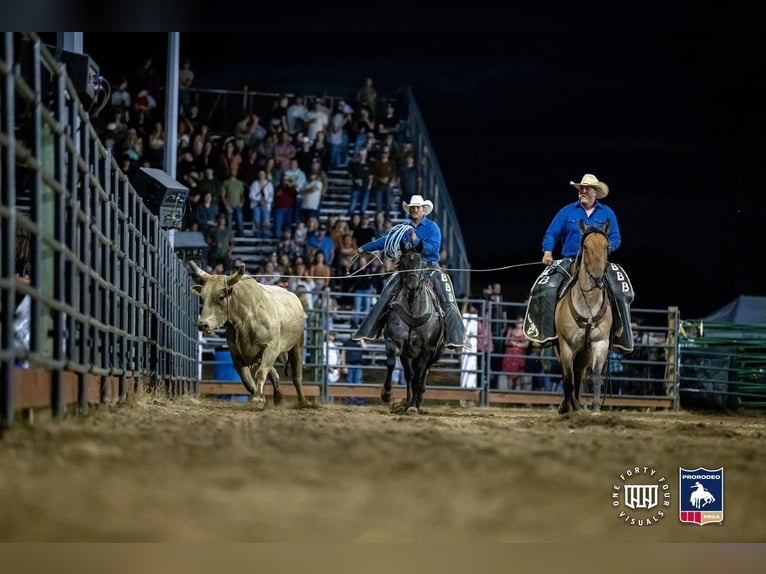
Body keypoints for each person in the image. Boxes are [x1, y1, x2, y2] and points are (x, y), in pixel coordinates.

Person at [524, 173, 634, 353]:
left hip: (599, 262)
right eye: (581, 188)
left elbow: (616, 237)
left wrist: (604, 249)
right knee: (546, 288)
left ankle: (620, 336)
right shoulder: (567, 211)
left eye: (587, 188)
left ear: (595, 192)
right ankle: (546, 334)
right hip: (570, 260)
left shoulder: (607, 213)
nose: (582, 191)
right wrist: (548, 251)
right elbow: (552, 233)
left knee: (621, 291)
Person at [352, 194, 467, 349]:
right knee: (386, 293)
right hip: (407, 269)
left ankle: (455, 336)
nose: (414, 210)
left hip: (429, 267)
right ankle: (370, 330)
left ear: (423, 210)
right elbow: (387, 241)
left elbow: (433, 248)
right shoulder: (402, 229)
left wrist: (416, 240)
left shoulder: (433, 227)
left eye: (417, 207)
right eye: (412, 207)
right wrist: (364, 248)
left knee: (447, 298)